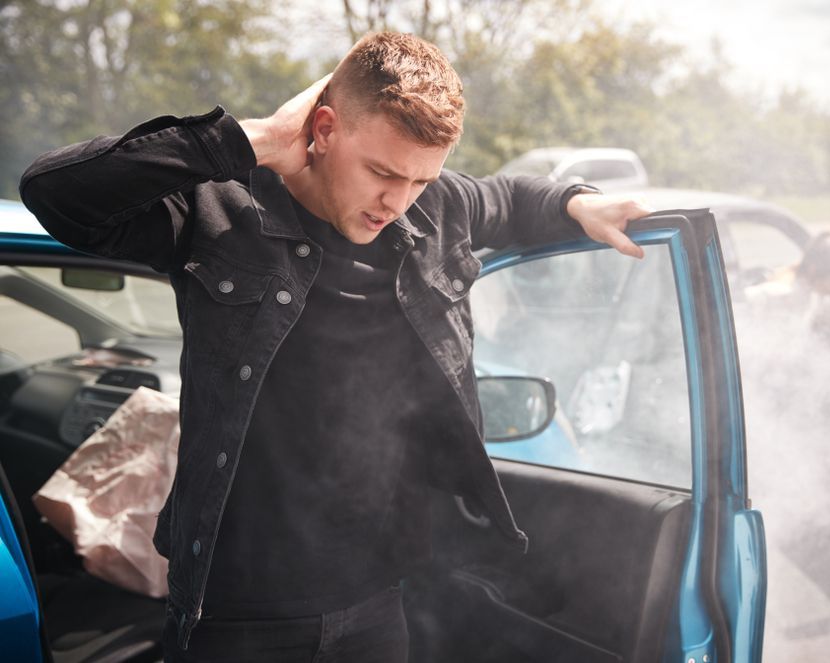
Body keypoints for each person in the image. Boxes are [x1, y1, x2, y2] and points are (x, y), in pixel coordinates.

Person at [19, 32, 651, 662]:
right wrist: (253, 141)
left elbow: (510, 197)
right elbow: (56, 192)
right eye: (382, 172)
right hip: (238, 613)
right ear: (323, 127)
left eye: (419, 180)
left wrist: (579, 202)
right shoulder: (223, 213)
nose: (398, 202)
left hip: (379, 600)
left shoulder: (435, 210)